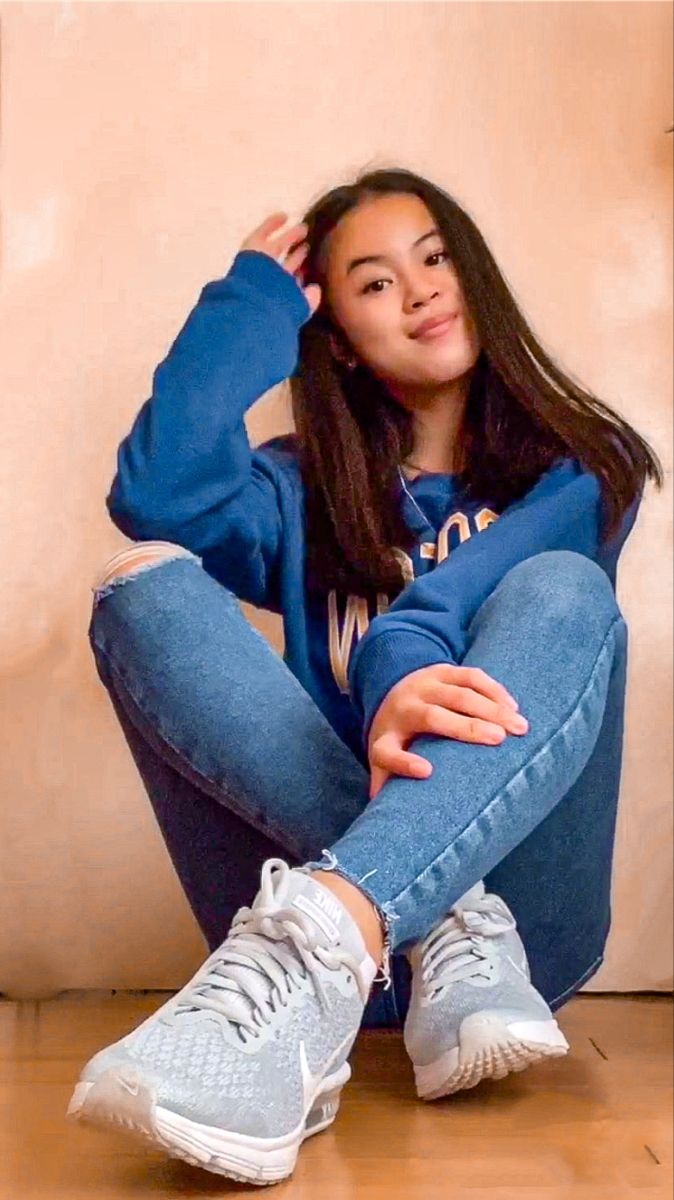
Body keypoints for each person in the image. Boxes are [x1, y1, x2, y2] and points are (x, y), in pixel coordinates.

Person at [66, 167, 663, 1184]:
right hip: (343, 962)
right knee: (143, 590)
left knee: (562, 589)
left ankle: (374, 919)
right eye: (376, 283)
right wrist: (247, 308)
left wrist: (398, 661)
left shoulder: (581, 464)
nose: (422, 290)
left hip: (516, 951)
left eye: (435, 259)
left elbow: (459, 597)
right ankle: (367, 929)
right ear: (337, 336)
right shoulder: (294, 489)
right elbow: (156, 492)